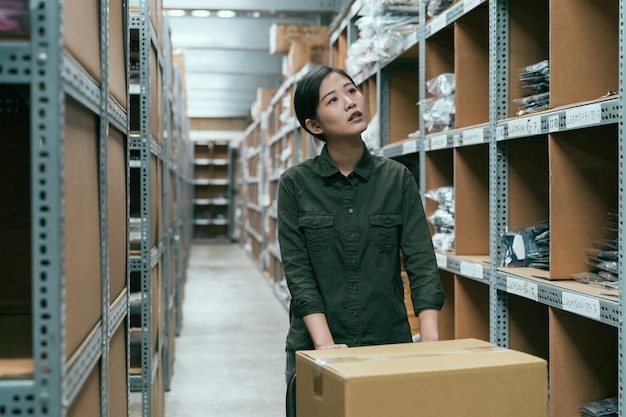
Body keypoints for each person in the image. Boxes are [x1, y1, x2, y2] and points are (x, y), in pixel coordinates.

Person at [277, 65, 446, 389]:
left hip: (387, 345)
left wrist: (430, 341)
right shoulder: (295, 184)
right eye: (333, 100)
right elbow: (299, 273)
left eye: (351, 90)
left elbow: (422, 262)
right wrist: (325, 346)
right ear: (314, 125)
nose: (350, 102)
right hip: (316, 348)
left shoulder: (397, 179)